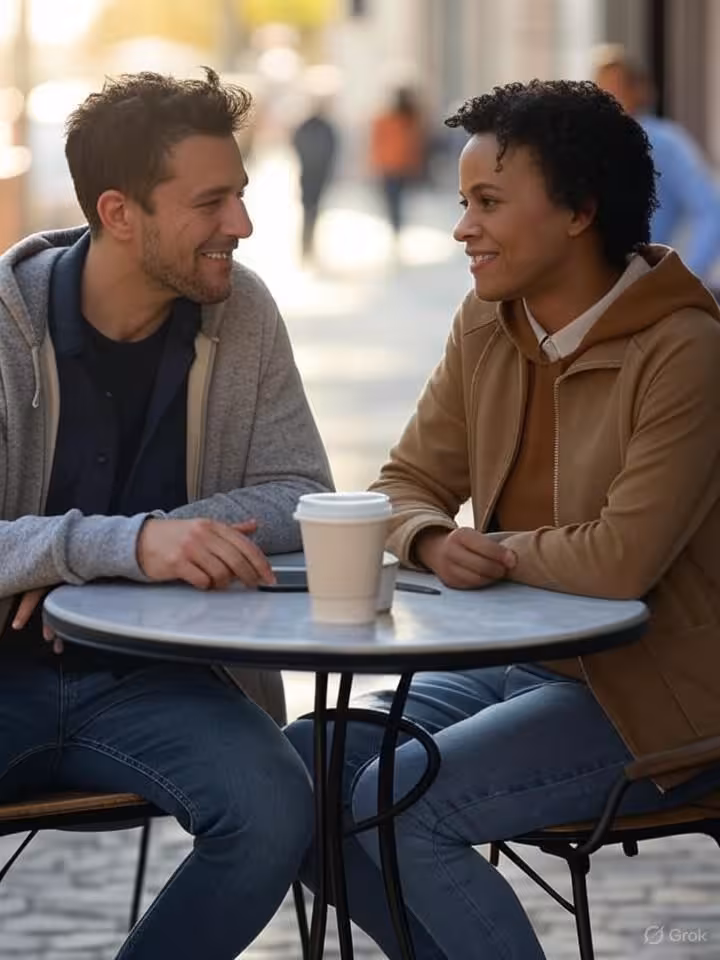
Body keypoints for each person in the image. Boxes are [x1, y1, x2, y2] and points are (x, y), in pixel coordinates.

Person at [285, 79, 720, 959]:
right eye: (462, 202)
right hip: (514, 667)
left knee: (403, 799)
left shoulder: (687, 350)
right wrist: (437, 540)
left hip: (655, 697)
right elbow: (405, 482)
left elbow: (621, 560)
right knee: (294, 769)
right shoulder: (487, 324)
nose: (462, 228)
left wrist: (497, 553)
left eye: (488, 202)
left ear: (579, 212)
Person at [0, 69, 333, 959]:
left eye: (242, 196)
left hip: (160, 680)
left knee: (277, 808)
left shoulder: (245, 312)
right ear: (119, 213)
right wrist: (126, 546)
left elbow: (302, 492)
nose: (244, 226)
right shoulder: (3, 326)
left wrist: (84, 560)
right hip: (4, 666)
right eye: (212, 202)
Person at [594, 44, 720, 289]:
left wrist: (685, 276)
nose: (607, 96)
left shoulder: (662, 142)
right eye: (600, 88)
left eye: (615, 87)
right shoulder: (588, 143)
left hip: (643, 280)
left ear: (638, 91)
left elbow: (711, 209)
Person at [369, 87, 426, 242]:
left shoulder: (409, 119)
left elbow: (416, 144)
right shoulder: (393, 119)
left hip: (399, 167)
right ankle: (396, 227)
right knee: (394, 200)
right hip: (392, 167)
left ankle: (397, 227)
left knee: (396, 200)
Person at [292, 98, 338, 262]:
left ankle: (308, 244)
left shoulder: (317, 127)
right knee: (311, 209)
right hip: (313, 174)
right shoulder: (322, 128)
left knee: (311, 209)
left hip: (313, 174)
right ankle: (306, 245)